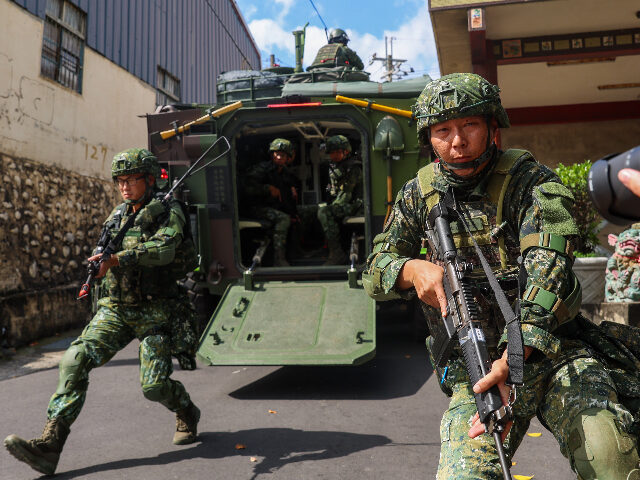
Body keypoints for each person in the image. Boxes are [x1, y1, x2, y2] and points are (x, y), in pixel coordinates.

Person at [363, 73, 640, 479]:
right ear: (429, 138)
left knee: (610, 455)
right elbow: (374, 268)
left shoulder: (531, 183)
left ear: (493, 127)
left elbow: (550, 273)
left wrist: (515, 359)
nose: (457, 141)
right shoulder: (417, 194)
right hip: (476, 372)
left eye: (469, 125)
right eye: (443, 130)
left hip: (551, 354)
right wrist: (408, 269)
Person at [4, 148, 201, 475]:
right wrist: (99, 267)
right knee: (74, 359)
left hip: (157, 309)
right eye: (120, 180)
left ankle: (186, 410)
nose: (125, 186)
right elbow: (104, 249)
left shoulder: (170, 211)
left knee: (154, 388)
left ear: (149, 180)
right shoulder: (118, 216)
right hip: (117, 308)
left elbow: (165, 250)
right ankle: (50, 444)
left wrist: (117, 260)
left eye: (132, 179)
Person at [243, 138, 299, 266]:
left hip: (274, 207)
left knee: (302, 214)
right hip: (256, 208)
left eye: (283, 155)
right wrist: (266, 189)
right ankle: (279, 259)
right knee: (284, 219)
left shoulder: (285, 173)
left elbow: (286, 195)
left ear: (288, 158)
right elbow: (246, 189)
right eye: (276, 154)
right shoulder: (261, 169)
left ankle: (296, 253)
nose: (279, 157)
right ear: (271, 154)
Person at [318, 135, 363, 264]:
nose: (334, 155)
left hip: (355, 206)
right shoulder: (336, 167)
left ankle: (337, 254)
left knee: (324, 212)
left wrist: (330, 207)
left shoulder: (353, 168)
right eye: (332, 153)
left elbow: (346, 195)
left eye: (337, 152)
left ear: (346, 151)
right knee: (307, 211)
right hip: (342, 204)